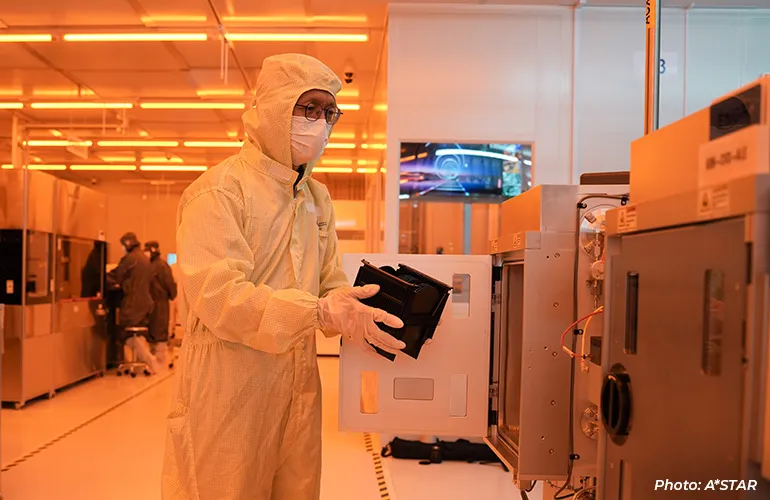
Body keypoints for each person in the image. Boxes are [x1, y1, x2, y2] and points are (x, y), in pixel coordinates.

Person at [162, 54, 406, 500]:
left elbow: (329, 282)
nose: (320, 123)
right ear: (274, 106)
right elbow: (219, 297)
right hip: (228, 389)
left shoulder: (316, 196)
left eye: (328, 113)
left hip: (297, 387)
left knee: (296, 490)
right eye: (307, 108)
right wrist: (317, 310)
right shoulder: (220, 190)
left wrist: (353, 308)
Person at [107, 232, 161, 374]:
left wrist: (103, 277)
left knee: (126, 333)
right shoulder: (143, 258)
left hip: (133, 304)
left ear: (127, 244)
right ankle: (138, 361)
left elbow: (117, 275)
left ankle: (149, 360)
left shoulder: (130, 259)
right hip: (145, 304)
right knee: (134, 334)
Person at [143, 241, 177, 366]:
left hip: (155, 306)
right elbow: (172, 290)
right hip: (158, 306)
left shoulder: (156, 266)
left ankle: (157, 365)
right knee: (157, 336)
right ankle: (157, 365)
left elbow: (170, 288)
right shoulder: (160, 266)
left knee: (156, 335)